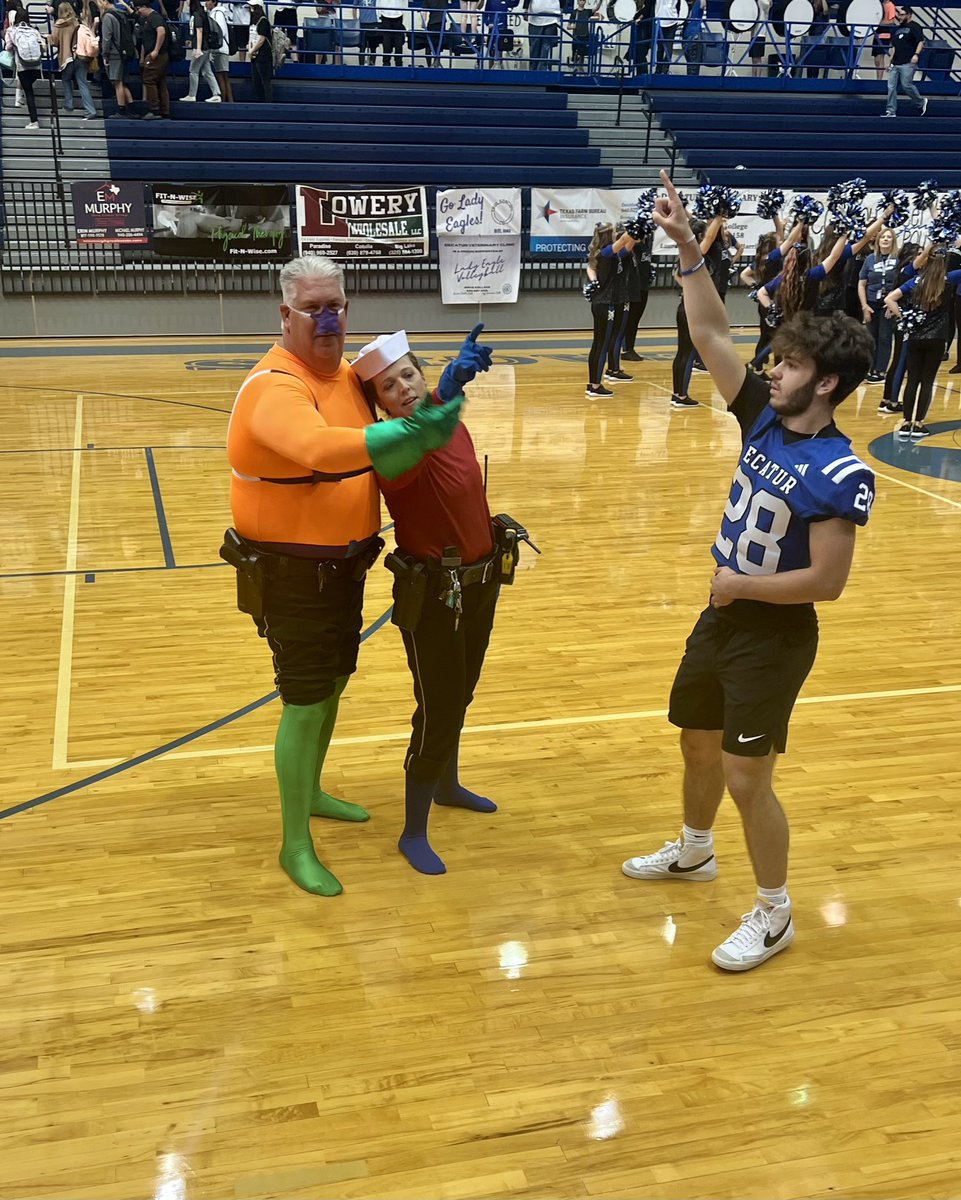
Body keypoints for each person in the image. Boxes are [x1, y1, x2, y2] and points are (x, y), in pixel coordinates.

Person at [622, 171, 876, 973]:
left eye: (790, 362)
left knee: (745, 778)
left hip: (770, 632)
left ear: (824, 382)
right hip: (721, 617)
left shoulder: (839, 473)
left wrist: (739, 586)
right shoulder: (761, 418)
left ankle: (774, 911)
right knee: (696, 746)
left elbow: (825, 584)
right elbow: (710, 338)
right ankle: (695, 852)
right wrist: (686, 247)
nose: (772, 367)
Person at [224, 255, 465, 897]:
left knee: (330, 686)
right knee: (304, 701)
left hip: (343, 571)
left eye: (336, 307)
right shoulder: (274, 387)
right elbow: (320, 450)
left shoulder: (344, 380)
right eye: (313, 309)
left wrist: (440, 398)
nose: (327, 320)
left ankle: (312, 791)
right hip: (293, 577)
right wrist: (415, 427)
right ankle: (293, 842)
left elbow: (392, 412)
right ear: (285, 314)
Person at [353, 325, 508, 876]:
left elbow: (440, 410)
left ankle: (448, 786)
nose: (404, 389)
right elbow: (426, 429)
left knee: (460, 695)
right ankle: (413, 830)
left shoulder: (442, 416)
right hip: (437, 597)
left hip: (481, 585)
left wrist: (451, 385)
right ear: (379, 405)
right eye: (390, 387)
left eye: (409, 375)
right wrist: (448, 390)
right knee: (438, 708)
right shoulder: (394, 447)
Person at [884, 242, 961, 438]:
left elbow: (889, 299)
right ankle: (919, 424)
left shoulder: (915, 281)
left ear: (928, 260)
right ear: (944, 263)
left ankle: (906, 422)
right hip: (937, 338)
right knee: (927, 381)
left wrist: (904, 316)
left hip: (915, 336)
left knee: (913, 381)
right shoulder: (950, 279)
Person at [584, 222, 635, 399]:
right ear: (608, 236)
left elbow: (627, 246)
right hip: (606, 304)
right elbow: (623, 240)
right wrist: (637, 225)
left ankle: (593, 383)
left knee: (600, 344)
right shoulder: (606, 252)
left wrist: (637, 234)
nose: (616, 233)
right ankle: (595, 386)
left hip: (605, 303)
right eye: (614, 232)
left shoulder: (613, 254)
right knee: (601, 344)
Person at [858, 226, 899, 383]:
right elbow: (862, 284)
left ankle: (880, 371)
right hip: (872, 303)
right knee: (871, 337)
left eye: (889, 237)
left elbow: (901, 283)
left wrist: (893, 304)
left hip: (888, 304)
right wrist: (864, 306)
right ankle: (871, 368)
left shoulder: (897, 259)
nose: (885, 239)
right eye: (883, 237)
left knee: (885, 337)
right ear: (878, 240)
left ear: (893, 241)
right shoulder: (870, 259)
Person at [47, 1, 97, 117]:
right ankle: (91, 110)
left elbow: (54, 42)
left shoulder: (58, 24)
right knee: (82, 83)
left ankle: (69, 104)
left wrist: (47, 38)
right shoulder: (78, 22)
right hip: (80, 55)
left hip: (67, 57)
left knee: (66, 79)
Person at [883, 6, 926, 118]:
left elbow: (920, 42)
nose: (900, 17)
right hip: (896, 62)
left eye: (902, 15)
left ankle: (920, 102)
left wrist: (916, 55)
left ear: (909, 15)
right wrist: (889, 61)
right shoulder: (897, 29)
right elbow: (893, 46)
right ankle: (891, 111)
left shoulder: (915, 27)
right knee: (891, 87)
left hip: (908, 62)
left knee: (906, 85)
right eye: (899, 14)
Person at [5, 10, 45, 129]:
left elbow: (8, 47)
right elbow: (43, 46)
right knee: (29, 88)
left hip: (22, 65)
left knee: (29, 93)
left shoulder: (12, 31)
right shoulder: (34, 31)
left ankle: (34, 121)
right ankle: (20, 99)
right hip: (36, 65)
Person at [98, 0, 136, 116]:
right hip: (124, 51)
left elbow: (106, 38)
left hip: (114, 53)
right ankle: (132, 108)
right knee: (123, 82)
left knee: (117, 82)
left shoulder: (108, 16)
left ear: (105, 2)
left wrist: (104, 54)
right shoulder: (122, 14)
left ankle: (121, 110)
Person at [134, 0, 169, 119]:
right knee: (160, 82)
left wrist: (155, 50)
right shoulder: (148, 18)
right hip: (158, 54)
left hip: (157, 55)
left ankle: (154, 110)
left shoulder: (154, 17)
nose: (138, 12)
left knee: (149, 79)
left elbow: (161, 31)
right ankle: (165, 110)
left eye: (138, 9)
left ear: (144, 7)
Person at [183, 0, 222, 99]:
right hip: (205, 46)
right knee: (207, 72)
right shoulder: (202, 12)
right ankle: (216, 93)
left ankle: (192, 95)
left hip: (201, 47)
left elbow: (199, 30)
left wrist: (198, 49)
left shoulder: (197, 13)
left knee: (193, 71)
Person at [204, 0, 232, 99]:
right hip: (222, 48)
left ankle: (224, 101)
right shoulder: (217, 13)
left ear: (214, 2)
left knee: (221, 76)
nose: (206, 3)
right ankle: (229, 101)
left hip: (220, 49)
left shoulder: (217, 14)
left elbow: (219, 31)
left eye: (208, 1)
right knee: (223, 76)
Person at [248, 1, 272, 98]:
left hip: (263, 56)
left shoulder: (263, 21)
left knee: (265, 81)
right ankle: (260, 101)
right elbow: (251, 36)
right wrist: (250, 49)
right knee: (256, 81)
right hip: (255, 55)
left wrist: (251, 50)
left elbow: (261, 39)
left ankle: (267, 102)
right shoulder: (254, 21)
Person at [872, 0, 895, 79]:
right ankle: (878, 78)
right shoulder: (880, 5)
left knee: (880, 57)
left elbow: (892, 21)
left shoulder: (890, 5)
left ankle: (879, 79)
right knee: (876, 59)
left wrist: (878, 23)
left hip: (885, 34)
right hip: (877, 34)